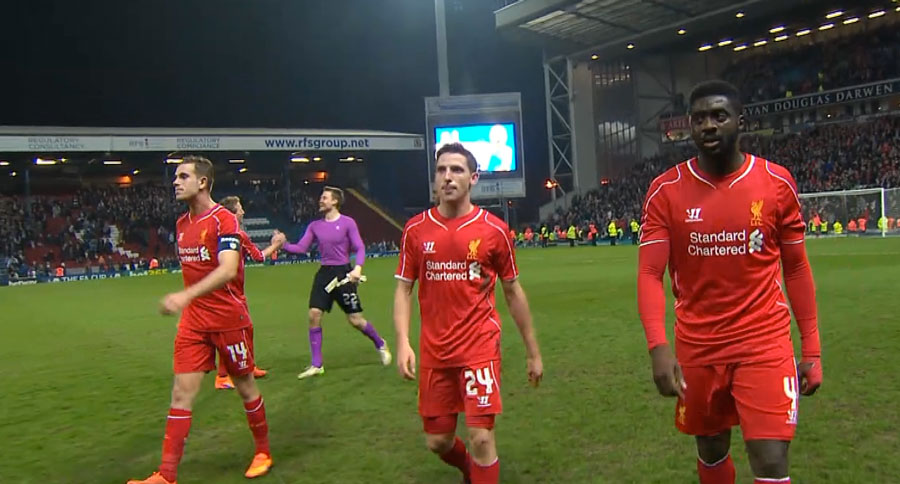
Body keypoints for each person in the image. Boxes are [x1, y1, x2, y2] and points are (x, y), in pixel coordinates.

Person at [637, 80, 822, 484]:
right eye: (699, 118)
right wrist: (658, 347)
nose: (708, 125)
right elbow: (650, 273)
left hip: (764, 343)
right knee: (711, 449)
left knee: (771, 460)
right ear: (689, 125)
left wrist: (813, 348)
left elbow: (796, 268)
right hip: (699, 346)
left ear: (740, 120)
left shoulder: (775, 183)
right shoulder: (665, 191)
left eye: (719, 115)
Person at [393, 142, 543, 484]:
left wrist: (533, 352)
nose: (447, 177)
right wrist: (402, 342)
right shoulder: (416, 230)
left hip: (479, 346)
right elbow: (403, 289)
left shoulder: (494, 230)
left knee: (482, 437)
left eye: (457, 170)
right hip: (435, 352)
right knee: (438, 441)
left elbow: (513, 292)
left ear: (473, 178)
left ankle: (479, 468)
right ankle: (468, 469)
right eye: (441, 170)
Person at [128, 156, 272, 484]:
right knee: (181, 394)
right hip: (194, 324)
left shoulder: (224, 220)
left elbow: (228, 269)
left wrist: (185, 296)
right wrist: (189, 302)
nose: (175, 182)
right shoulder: (181, 225)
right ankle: (166, 475)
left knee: (246, 387)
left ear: (203, 182)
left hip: (228, 319)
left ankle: (263, 451)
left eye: (183, 176)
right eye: (175, 177)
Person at [282, 186, 391, 379]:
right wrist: (283, 244)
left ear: (335, 202)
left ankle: (380, 343)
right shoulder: (315, 225)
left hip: (343, 273)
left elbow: (359, 247)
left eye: (324, 198)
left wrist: (357, 268)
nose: (320, 201)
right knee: (314, 314)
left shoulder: (348, 223)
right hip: (324, 273)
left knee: (355, 320)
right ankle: (317, 364)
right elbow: (301, 247)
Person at [210, 195, 286, 389]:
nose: (243, 211)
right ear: (232, 213)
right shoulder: (237, 235)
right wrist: (276, 245)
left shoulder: (216, 234)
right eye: (240, 208)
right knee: (228, 333)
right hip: (229, 292)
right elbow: (259, 257)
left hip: (230, 290)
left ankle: (249, 367)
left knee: (246, 329)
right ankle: (222, 377)